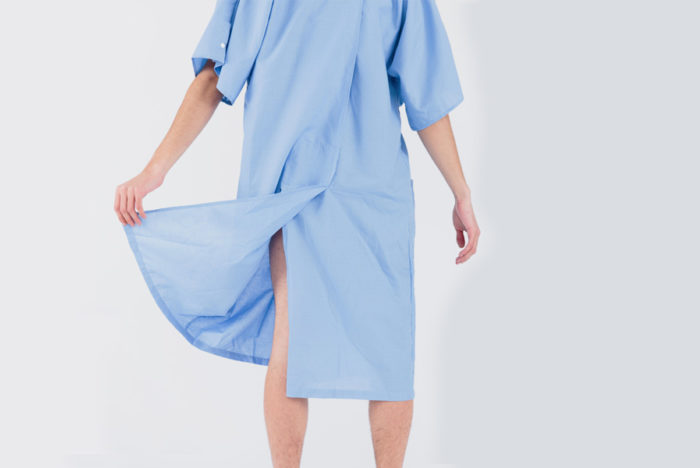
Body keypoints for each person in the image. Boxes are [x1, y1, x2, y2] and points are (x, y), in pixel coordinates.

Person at [114, 1, 480, 466]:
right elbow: (427, 96)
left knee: (327, 342)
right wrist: (460, 191)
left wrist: (461, 190)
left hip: (320, 182)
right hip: (323, 187)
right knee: (376, 346)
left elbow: (214, 77)